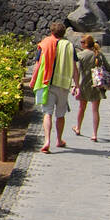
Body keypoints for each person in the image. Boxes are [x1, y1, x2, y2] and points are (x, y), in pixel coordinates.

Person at [31, 21, 79, 154]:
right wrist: (76, 85)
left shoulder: (45, 44)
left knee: (47, 113)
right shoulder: (69, 46)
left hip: (47, 83)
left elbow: (37, 64)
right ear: (63, 33)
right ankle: (59, 139)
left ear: (52, 32)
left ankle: (47, 140)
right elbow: (75, 68)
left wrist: (33, 80)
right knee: (60, 114)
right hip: (63, 85)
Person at [72, 34, 110, 142]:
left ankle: (78, 127)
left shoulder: (81, 55)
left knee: (81, 107)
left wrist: (75, 86)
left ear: (85, 44)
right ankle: (94, 134)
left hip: (84, 85)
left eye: (82, 42)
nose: (80, 44)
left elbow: (77, 71)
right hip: (97, 85)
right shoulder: (98, 54)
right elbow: (109, 68)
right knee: (95, 110)